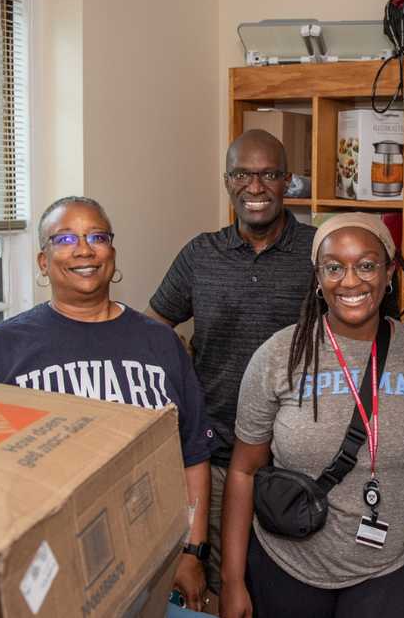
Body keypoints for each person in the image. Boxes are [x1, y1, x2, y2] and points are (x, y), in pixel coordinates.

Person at [0, 196, 215, 611]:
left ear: (112, 254)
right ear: (43, 261)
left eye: (97, 236)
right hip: (46, 566)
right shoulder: (1, 348)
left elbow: (193, 454)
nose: (84, 249)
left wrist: (193, 550)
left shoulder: (160, 343)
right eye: (65, 238)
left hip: (151, 553)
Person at [219, 213, 404, 618]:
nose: (350, 281)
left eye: (366, 265)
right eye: (334, 267)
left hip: (385, 574)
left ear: (389, 271)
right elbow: (243, 471)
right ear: (317, 276)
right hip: (285, 570)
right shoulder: (279, 355)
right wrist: (232, 581)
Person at [146, 130, 317, 593]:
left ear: (288, 183)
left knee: (291, 590)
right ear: (227, 181)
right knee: (227, 588)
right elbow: (154, 328)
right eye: (243, 174)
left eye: (268, 175)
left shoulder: (319, 253)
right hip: (219, 458)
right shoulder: (202, 254)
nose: (255, 187)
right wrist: (182, 366)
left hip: (300, 462)